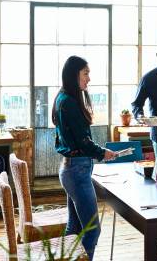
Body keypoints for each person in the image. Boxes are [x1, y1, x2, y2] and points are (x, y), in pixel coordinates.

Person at [53, 56, 117, 260]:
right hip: (77, 172)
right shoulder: (69, 103)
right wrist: (103, 153)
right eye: (85, 73)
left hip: (71, 169)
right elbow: (83, 142)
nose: (89, 79)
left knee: (75, 227)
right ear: (74, 75)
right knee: (92, 230)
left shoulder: (62, 97)